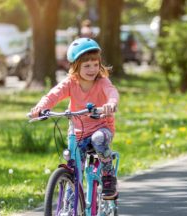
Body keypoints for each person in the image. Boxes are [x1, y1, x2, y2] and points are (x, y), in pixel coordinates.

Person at [29, 38, 119, 200]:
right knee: (74, 165)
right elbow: (53, 95)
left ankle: (108, 176)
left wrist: (110, 104)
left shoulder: (102, 82)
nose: (92, 69)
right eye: (86, 66)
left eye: (95, 64)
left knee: (99, 140)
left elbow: (112, 92)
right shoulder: (70, 83)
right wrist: (40, 108)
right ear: (75, 67)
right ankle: (72, 197)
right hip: (78, 132)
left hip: (101, 127)